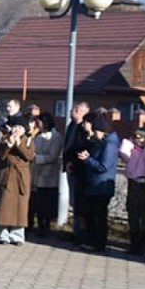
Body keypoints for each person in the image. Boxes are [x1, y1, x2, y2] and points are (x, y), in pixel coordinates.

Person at [77, 114, 120, 252]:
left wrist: (87, 159)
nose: (94, 134)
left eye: (96, 131)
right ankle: (91, 241)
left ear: (103, 131)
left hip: (102, 186)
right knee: (91, 214)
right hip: (94, 185)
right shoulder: (100, 142)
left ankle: (99, 243)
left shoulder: (110, 144)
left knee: (99, 216)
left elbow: (104, 166)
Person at [0, 120, 35, 245]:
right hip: (7, 174)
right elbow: (1, 156)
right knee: (4, 205)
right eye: (15, 126)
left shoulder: (28, 140)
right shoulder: (5, 138)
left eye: (20, 127)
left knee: (20, 206)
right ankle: (3, 234)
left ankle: (17, 235)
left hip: (21, 176)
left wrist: (18, 145)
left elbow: (29, 156)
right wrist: (8, 145)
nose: (17, 130)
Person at [119, 127, 145, 256]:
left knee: (144, 217)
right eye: (136, 137)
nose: (138, 140)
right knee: (133, 215)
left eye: (142, 138)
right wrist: (127, 145)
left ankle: (142, 245)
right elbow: (124, 155)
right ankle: (134, 244)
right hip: (133, 183)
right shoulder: (132, 150)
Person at [62, 101, 92, 244]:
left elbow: (79, 147)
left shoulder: (83, 129)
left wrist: (73, 162)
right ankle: (75, 231)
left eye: (74, 110)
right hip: (70, 168)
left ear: (79, 111)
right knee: (74, 201)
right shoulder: (71, 126)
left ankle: (80, 232)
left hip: (79, 169)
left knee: (80, 201)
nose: (70, 112)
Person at [29, 114, 62, 238]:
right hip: (36, 174)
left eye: (40, 123)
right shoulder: (37, 136)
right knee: (37, 202)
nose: (38, 125)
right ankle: (38, 225)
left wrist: (37, 157)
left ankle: (46, 227)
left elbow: (53, 156)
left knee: (46, 203)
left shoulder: (55, 137)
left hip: (49, 175)